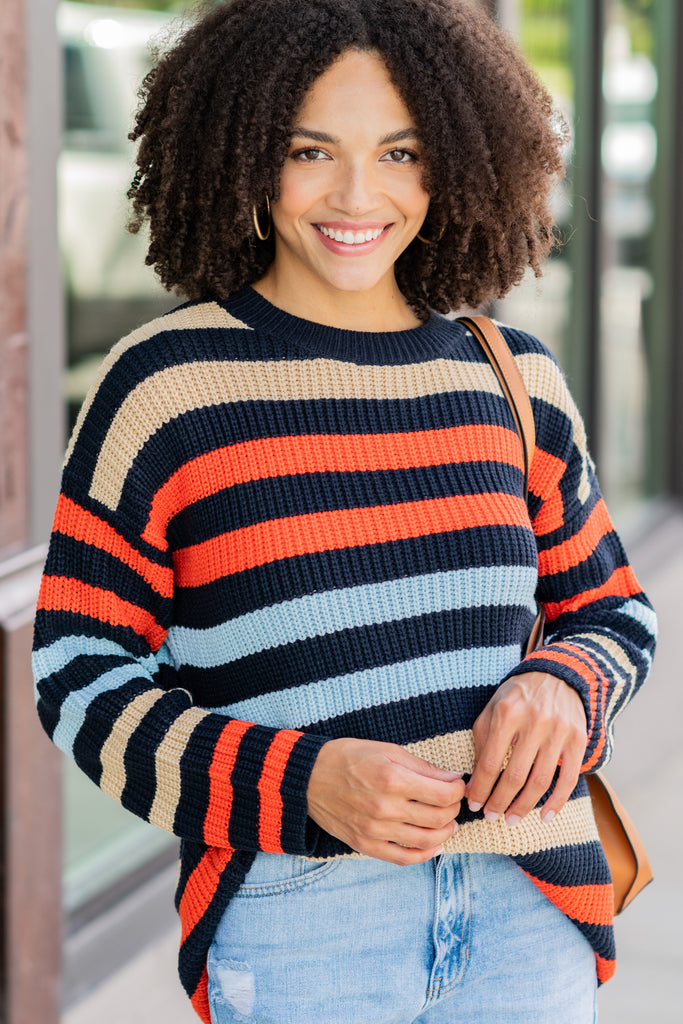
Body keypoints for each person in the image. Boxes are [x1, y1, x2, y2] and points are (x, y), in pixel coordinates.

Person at [33, 1, 657, 1022]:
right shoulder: (165, 386)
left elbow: (612, 613)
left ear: (454, 159)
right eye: (309, 150)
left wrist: (562, 688)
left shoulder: (513, 380)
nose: (357, 194)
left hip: (527, 902)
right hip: (301, 921)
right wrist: (299, 781)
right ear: (241, 154)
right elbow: (77, 671)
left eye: (401, 151)